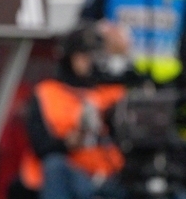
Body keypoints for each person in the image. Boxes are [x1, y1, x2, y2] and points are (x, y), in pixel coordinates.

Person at [12, 22, 129, 199]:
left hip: (107, 178)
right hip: (66, 176)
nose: (89, 61)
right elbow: (40, 145)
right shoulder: (47, 93)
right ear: (69, 57)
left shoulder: (112, 92)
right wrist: (68, 142)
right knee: (55, 166)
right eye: (83, 55)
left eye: (94, 55)